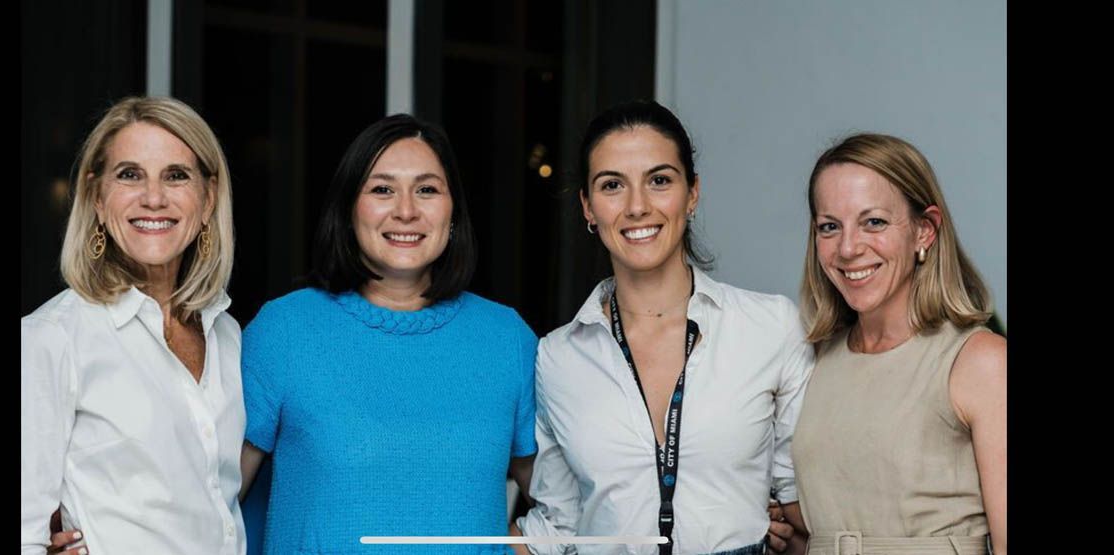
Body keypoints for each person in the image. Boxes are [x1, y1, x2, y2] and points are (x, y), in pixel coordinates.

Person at [516, 100, 813, 555]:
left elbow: (804, 504)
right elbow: (559, 526)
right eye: (612, 185)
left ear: (692, 193)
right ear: (588, 208)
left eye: (659, 180)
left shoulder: (770, 327)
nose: (637, 206)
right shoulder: (558, 356)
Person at [237, 113, 538, 554]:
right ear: (348, 208)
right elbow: (211, 500)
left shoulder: (506, 339)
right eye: (382, 189)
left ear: (453, 211)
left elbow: (562, 505)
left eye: (427, 189)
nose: (406, 210)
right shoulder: (285, 330)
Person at [21, 96, 244, 554]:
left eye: (176, 176)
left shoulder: (225, 331)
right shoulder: (53, 337)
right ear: (97, 198)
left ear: (208, 199)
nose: (154, 198)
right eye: (129, 174)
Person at [791, 133, 1006, 555]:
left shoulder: (980, 362)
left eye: (874, 222)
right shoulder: (812, 359)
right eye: (829, 227)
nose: (849, 248)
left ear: (924, 231)